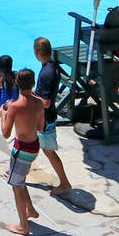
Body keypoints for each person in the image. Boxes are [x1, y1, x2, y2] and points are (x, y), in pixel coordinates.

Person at [0, 68, 45, 235]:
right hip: (34, 147)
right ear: (33, 83)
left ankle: (23, 226)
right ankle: (31, 210)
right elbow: (40, 127)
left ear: (16, 83)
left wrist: (3, 115)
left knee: (16, 186)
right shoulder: (39, 103)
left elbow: (5, 133)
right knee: (20, 180)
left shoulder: (14, 107)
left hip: (21, 151)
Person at [32, 37, 72, 196]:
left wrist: (29, 99)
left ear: (36, 52)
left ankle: (65, 183)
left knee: (48, 151)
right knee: (31, 143)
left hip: (45, 119)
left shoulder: (46, 73)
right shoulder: (52, 66)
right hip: (43, 117)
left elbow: (46, 102)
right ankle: (19, 171)